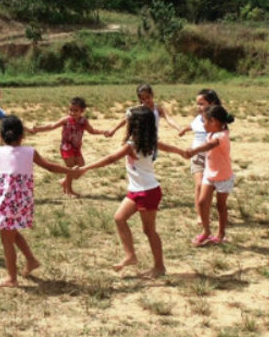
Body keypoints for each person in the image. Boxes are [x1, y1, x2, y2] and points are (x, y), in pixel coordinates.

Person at [0, 116, 76, 287]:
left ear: (0, 136)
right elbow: (50, 166)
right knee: (11, 232)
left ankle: (11, 278)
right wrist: (70, 171)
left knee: (7, 240)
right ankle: (31, 260)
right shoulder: (30, 152)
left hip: (5, 203)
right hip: (21, 203)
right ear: (23, 136)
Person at [76, 106, 189, 278]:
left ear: (134, 126)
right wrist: (182, 152)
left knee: (149, 231)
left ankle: (159, 267)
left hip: (148, 192)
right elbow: (168, 147)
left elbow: (110, 159)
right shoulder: (149, 140)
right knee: (119, 218)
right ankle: (131, 256)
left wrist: (85, 168)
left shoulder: (133, 145)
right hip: (137, 190)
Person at [27, 97, 104, 197]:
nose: (72, 113)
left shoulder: (83, 122)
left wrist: (103, 132)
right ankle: (68, 190)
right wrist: (39, 129)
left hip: (77, 148)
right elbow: (52, 126)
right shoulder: (66, 120)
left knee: (81, 166)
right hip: (66, 147)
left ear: (82, 111)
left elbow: (92, 131)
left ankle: (65, 181)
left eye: (75, 110)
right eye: (70, 110)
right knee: (71, 168)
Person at [184, 105, 235, 246]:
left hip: (223, 176)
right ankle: (206, 231)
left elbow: (209, 146)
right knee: (202, 202)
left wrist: (194, 150)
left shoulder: (222, 135)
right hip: (209, 174)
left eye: (205, 122)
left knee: (221, 206)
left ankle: (221, 234)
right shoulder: (211, 133)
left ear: (213, 121)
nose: (203, 125)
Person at [178, 89, 222, 225]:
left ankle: (206, 209)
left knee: (208, 187)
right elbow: (192, 125)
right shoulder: (198, 119)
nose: (198, 107)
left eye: (202, 104)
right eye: (197, 104)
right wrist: (183, 130)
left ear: (212, 103)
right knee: (199, 185)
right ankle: (201, 215)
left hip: (213, 157)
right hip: (197, 155)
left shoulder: (217, 121)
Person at [104, 84, 182, 139]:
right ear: (139, 99)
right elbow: (125, 120)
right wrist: (113, 130)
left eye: (148, 97)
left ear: (152, 95)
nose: (146, 100)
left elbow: (169, 119)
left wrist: (179, 128)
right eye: (143, 99)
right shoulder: (138, 110)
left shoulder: (158, 109)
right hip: (140, 140)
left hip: (152, 140)